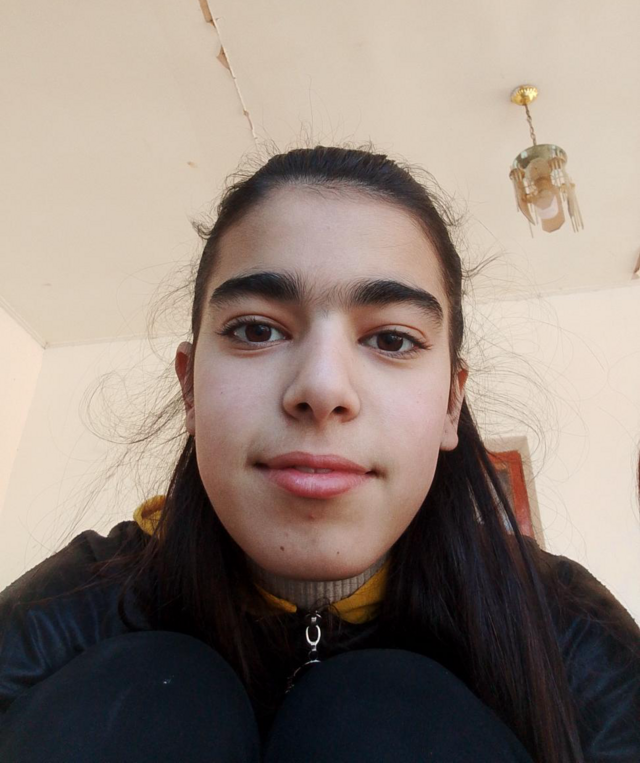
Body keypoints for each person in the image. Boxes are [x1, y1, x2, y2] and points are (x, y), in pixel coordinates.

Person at [0, 146, 638, 763]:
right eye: (257, 330)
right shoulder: (72, 607)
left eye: (392, 339)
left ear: (452, 402)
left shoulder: (566, 627)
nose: (324, 389)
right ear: (190, 388)